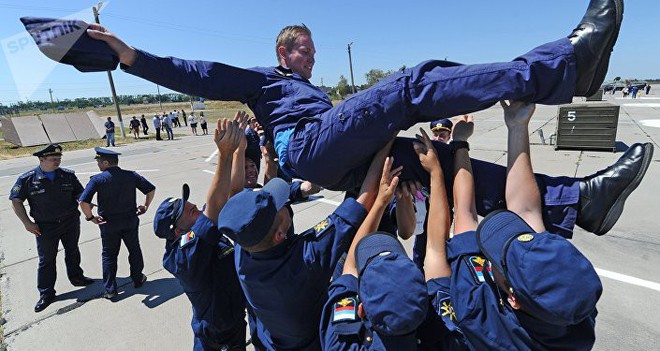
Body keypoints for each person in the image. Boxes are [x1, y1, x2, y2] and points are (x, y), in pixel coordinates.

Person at [85, 0, 652, 238]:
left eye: (311, 49)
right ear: (283, 53)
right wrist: (132, 58)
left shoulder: (313, 90)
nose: (308, 56)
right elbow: (201, 72)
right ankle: (559, 69)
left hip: (340, 156)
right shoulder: (265, 82)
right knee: (406, 85)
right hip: (309, 147)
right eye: (300, 49)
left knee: (440, 164)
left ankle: (575, 203)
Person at [417, 102, 609, 350]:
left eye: (498, 258)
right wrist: (517, 126)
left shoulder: (476, 311)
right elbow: (526, 211)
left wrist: (451, 154)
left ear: (513, 299)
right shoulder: (573, 312)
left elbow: (462, 216)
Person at [216, 141, 393, 350]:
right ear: (280, 234)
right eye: (281, 205)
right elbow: (361, 203)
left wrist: (238, 152)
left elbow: (236, 202)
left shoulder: (245, 249)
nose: (285, 203)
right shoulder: (306, 259)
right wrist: (386, 140)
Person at [153, 117, 247, 350]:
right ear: (177, 230)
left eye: (185, 202)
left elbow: (233, 191)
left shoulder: (197, 229)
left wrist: (239, 150)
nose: (190, 205)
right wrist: (224, 155)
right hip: (215, 335)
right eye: (182, 210)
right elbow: (214, 208)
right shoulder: (181, 257)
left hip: (234, 320)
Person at [320, 156, 428, 349]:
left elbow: (406, 231)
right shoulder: (357, 188)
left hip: (377, 266)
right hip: (357, 260)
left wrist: (402, 197)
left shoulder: (338, 344)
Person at [9, 144, 93, 312]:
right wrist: (27, 223)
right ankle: (46, 293)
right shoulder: (27, 179)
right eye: (53, 159)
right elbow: (16, 200)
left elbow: (80, 194)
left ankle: (77, 277)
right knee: (47, 259)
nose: (57, 162)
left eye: (59, 158)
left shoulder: (67, 175)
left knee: (72, 250)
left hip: (70, 221)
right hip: (45, 226)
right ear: (41, 159)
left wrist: (86, 204)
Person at [79, 147, 156, 299]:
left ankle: (110, 289)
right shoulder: (131, 175)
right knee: (134, 249)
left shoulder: (97, 179)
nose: (98, 165)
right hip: (129, 220)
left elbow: (83, 202)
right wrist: (145, 206)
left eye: (99, 162)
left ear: (106, 162)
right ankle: (138, 278)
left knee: (109, 255)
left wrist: (91, 218)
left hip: (109, 224)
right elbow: (151, 190)